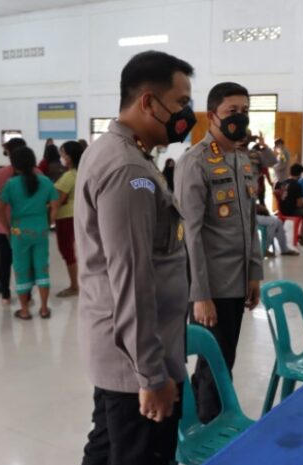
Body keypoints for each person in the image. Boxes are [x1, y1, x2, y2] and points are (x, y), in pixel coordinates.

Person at [76, 51, 194, 465]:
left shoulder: (122, 153)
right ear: (148, 102)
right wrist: (152, 376)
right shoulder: (129, 170)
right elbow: (130, 277)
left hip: (121, 351)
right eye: (181, 103)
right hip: (136, 365)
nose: (187, 113)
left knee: (107, 448)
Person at [175, 81, 263, 424]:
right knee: (215, 361)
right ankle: (211, 432)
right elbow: (189, 234)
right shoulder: (194, 162)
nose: (239, 118)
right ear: (212, 115)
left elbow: (250, 219)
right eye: (231, 112)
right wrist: (200, 295)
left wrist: (254, 273)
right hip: (209, 286)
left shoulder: (242, 159)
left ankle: (201, 419)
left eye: (244, 112)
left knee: (221, 359)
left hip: (237, 280)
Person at [0, 146, 58, 320]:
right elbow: (55, 205)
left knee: (21, 268)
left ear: (14, 165)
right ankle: (44, 308)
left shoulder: (10, 184)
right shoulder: (46, 182)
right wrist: (49, 222)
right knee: (42, 267)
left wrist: (7, 228)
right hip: (40, 230)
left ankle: (24, 310)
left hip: (18, 231)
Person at [0, 137, 28, 304]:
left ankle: (5, 294)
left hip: (4, 225)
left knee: (5, 260)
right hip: (27, 226)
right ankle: (27, 294)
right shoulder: (36, 174)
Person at [54, 140, 83, 298]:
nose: (62, 157)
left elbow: (58, 200)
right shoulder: (81, 172)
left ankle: (74, 286)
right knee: (72, 250)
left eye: (64, 153)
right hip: (76, 215)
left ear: (70, 156)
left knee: (66, 250)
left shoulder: (68, 176)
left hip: (65, 216)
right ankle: (76, 283)